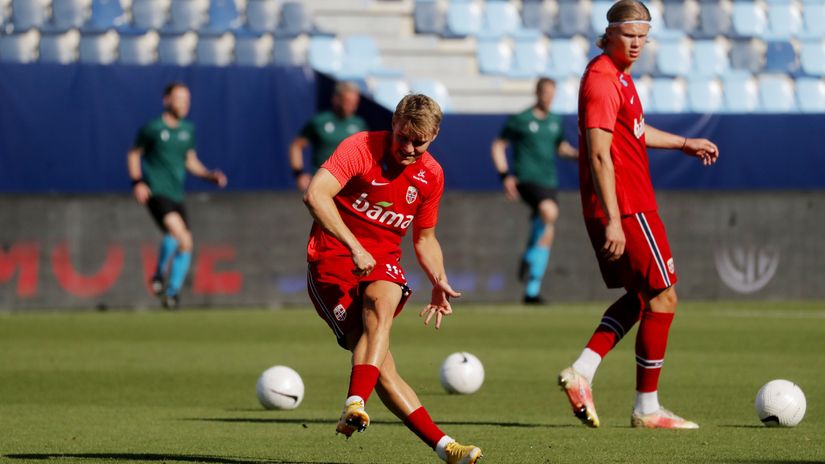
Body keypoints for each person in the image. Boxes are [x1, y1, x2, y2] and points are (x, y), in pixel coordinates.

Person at [558, 0, 719, 429]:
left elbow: (636, 133)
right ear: (609, 33)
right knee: (664, 296)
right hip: (627, 208)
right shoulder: (601, 81)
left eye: (643, 37)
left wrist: (686, 143)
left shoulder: (620, 79)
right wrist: (613, 217)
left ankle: (583, 371)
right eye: (629, 36)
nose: (636, 44)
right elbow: (597, 154)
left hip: (631, 205)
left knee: (642, 296)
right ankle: (647, 409)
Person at [303, 94, 482, 463]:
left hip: (383, 260)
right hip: (332, 259)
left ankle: (356, 402)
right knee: (382, 368)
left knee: (380, 306)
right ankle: (443, 446)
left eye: (420, 142)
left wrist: (438, 278)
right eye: (403, 138)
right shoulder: (360, 147)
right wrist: (353, 246)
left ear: (434, 136)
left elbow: (425, 238)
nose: (410, 148)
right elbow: (315, 195)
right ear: (394, 125)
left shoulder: (431, 175)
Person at [127, 82, 228, 309]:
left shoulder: (187, 130)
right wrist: (138, 181)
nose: (184, 103)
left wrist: (207, 175)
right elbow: (134, 154)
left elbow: (189, 160)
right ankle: (160, 276)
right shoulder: (152, 128)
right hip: (157, 191)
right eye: (179, 98)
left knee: (185, 243)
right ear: (167, 100)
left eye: (187, 99)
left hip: (177, 194)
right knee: (179, 234)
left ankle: (169, 291)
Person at [491, 77, 578, 304]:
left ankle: (531, 290)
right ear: (537, 93)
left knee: (547, 231)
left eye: (552, 94)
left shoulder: (555, 121)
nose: (549, 98)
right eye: (546, 93)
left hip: (548, 181)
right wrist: (505, 175)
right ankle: (530, 257)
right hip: (527, 179)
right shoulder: (521, 119)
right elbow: (499, 145)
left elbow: (560, 147)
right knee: (549, 212)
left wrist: (579, 155)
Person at [289, 81, 368, 192]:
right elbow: (296, 146)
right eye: (347, 101)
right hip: (321, 182)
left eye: (354, 102)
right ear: (336, 99)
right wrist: (299, 174)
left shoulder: (360, 124)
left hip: (349, 185)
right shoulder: (320, 121)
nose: (351, 105)